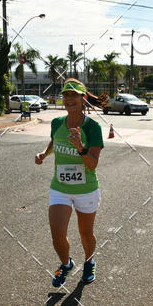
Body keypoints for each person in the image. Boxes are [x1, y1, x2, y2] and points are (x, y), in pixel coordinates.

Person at [35, 78, 104, 287]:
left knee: (85, 233)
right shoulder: (57, 123)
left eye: (74, 95)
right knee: (57, 234)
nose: (69, 99)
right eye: (66, 95)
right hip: (60, 188)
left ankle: (89, 262)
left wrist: (80, 146)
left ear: (83, 99)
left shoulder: (92, 127)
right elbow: (54, 141)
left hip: (86, 190)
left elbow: (92, 164)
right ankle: (66, 264)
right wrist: (44, 153)